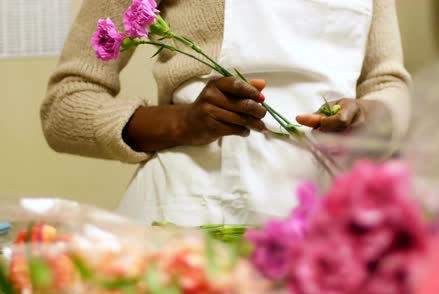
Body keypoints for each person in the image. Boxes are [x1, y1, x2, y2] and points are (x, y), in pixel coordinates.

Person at [41, 0, 411, 226]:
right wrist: (183, 122)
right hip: (188, 219)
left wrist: (371, 119)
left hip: (323, 221)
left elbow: (388, 82)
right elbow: (65, 107)